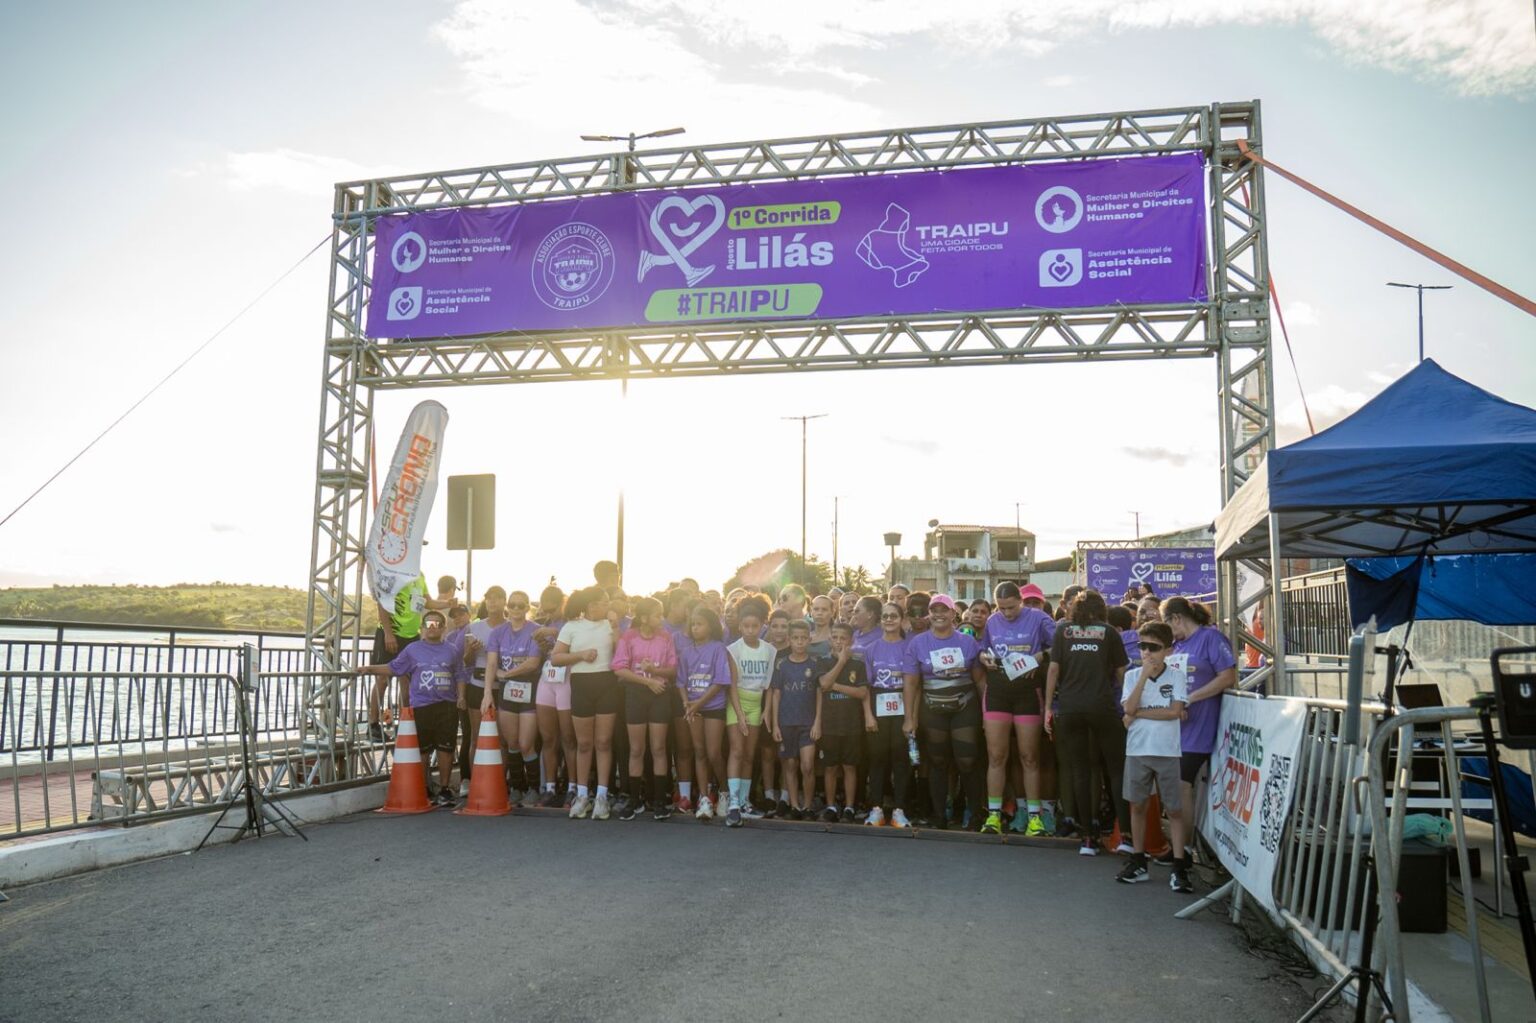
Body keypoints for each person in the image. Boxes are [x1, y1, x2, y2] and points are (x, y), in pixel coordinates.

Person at [1044, 589, 1131, 856]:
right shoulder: (1109, 632)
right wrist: (1129, 707)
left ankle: (1088, 840)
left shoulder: (1063, 631)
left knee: (1080, 771)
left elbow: (1053, 670)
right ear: (1101, 609)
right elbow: (1121, 673)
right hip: (1103, 707)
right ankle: (1126, 836)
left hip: (1069, 708)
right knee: (1117, 771)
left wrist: (1048, 707)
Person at [355, 609, 466, 806]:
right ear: (422, 627)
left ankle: (444, 789)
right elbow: (393, 667)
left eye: (438, 624)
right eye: (429, 624)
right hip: (421, 705)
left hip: (447, 705)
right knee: (422, 750)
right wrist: (369, 668)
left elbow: (460, 675)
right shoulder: (412, 649)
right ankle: (423, 787)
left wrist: (462, 697)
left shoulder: (452, 650)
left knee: (446, 748)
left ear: (444, 627)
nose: (433, 627)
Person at [1116, 621, 1193, 892]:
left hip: (1167, 750)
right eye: (1142, 646)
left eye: (1154, 648)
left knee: (1173, 808)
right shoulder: (1131, 675)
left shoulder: (1176, 676)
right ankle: (1138, 859)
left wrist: (1137, 714)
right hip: (1138, 749)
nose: (1147, 653)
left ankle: (1179, 864)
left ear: (1168, 650)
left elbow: (1174, 712)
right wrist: (1141, 679)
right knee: (1137, 805)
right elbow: (1129, 705)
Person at [977, 581, 1057, 836]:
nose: (1007, 613)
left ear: (1020, 600)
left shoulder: (1039, 618)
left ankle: (1035, 817)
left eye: (1011, 608)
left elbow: (1060, 647)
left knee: (1029, 756)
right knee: (997, 756)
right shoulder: (992, 621)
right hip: (998, 689)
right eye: (1002, 608)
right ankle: (993, 815)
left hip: (1027, 690)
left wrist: (1038, 657)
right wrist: (984, 658)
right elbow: (982, 649)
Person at [902, 594, 985, 830]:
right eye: (934, 610)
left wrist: (987, 713)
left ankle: (975, 814)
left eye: (944, 610)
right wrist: (909, 718)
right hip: (933, 707)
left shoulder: (967, 642)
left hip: (964, 707)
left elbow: (980, 681)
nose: (939, 614)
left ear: (953, 614)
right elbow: (910, 683)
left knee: (967, 760)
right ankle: (940, 816)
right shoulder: (917, 643)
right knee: (938, 761)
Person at [1162, 595, 1238, 836]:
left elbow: (1227, 676)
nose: (1169, 633)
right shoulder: (1177, 646)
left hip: (1199, 727)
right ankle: (1178, 845)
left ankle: (1182, 851)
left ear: (1177, 618)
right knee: (1172, 788)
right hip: (1174, 727)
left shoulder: (1210, 638)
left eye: (1168, 625)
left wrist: (1192, 698)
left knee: (1181, 785)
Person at [551, 587, 619, 820]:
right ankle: (582, 795)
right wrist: (580, 655)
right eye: (604, 602)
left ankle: (601, 796)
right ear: (591, 605)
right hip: (581, 684)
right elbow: (556, 658)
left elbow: (622, 652)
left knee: (603, 741)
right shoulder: (571, 626)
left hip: (607, 684)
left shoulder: (610, 625)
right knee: (584, 743)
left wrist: (617, 627)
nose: (607, 605)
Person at [611, 596, 677, 821]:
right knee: (636, 749)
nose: (661, 618)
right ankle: (635, 799)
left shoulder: (666, 637)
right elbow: (619, 668)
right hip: (636, 694)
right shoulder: (629, 637)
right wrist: (648, 680)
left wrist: (656, 672)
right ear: (644, 617)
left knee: (658, 748)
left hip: (660, 694)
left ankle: (659, 801)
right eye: (657, 614)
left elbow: (672, 669)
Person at [481, 589, 544, 804]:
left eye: (521, 605)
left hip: (529, 688)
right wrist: (487, 692)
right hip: (507, 692)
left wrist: (506, 673)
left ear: (528, 607)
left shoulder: (536, 630)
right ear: (507, 607)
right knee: (512, 742)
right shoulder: (498, 632)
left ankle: (534, 788)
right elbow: (491, 663)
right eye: (513, 605)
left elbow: (533, 663)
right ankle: (518, 786)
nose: (516, 609)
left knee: (527, 743)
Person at [677, 606, 733, 821]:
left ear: (710, 626)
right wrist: (686, 703)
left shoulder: (719, 648)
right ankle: (704, 798)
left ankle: (724, 791)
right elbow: (681, 681)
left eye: (699, 624)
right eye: (693, 624)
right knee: (699, 752)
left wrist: (698, 704)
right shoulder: (686, 651)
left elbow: (720, 681)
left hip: (713, 707)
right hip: (693, 708)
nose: (695, 627)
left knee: (713, 753)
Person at [725, 596, 776, 825]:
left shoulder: (769, 650)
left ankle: (745, 801)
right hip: (737, 703)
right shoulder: (733, 649)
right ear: (739, 626)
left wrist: (765, 710)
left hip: (757, 704)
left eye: (755, 626)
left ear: (761, 626)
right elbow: (732, 686)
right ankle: (733, 803)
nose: (750, 630)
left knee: (749, 754)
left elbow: (768, 686)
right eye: (746, 626)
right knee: (736, 750)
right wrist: (740, 714)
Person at [863, 602, 913, 827]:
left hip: (903, 705)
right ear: (880, 620)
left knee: (901, 759)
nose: (889, 620)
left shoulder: (909, 647)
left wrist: (911, 718)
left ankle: (899, 810)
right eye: (885, 616)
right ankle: (876, 809)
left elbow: (915, 686)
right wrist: (868, 715)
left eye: (894, 616)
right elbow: (866, 687)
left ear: (902, 619)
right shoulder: (871, 649)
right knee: (877, 758)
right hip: (878, 704)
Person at [817, 622, 873, 822]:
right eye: (835, 637)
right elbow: (823, 684)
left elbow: (861, 692)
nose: (839, 641)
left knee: (850, 767)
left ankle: (849, 807)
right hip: (829, 724)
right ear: (830, 639)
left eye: (843, 638)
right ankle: (831, 806)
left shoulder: (857, 664)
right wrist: (840, 662)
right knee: (830, 767)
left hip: (852, 724)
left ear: (851, 641)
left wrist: (837, 686)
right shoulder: (823, 662)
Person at [768, 620, 821, 819]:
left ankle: (807, 806)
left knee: (807, 765)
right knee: (789, 765)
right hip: (786, 722)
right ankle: (794, 806)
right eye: (796, 638)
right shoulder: (782, 665)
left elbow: (819, 693)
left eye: (803, 638)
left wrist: (818, 721)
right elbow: (776, 695)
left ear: (809, 639)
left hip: (808, 724)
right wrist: (775, 724)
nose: (799, 642)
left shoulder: (815, 664)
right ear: (789, 640)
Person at [368, 573, 429, 741]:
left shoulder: (420, 575)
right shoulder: (394, 571)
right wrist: (388, 633)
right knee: (382, 679)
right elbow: (382, 601)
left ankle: (405, 723)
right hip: (392, 633)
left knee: (407, 681)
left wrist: (448, 602)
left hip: (411, 635)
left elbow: (427, 601)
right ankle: (373, 724)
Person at [533, 584, 576, 808]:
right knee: (549, 738)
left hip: (566, 680)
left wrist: (554, 632)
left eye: (552, 609)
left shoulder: (571, 622)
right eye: (545, 611)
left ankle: (572, 787)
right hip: (547, 680)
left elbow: (577, 644)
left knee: (569, 738)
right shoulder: (546, 623)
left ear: (562, 603)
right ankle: (549, 787)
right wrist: (541, 644)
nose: (548, 615)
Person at [808, 594, 835, 660]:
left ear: (832, 613)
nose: (819, 613)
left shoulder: (836, 638)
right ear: (811, 612)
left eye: (824, 609)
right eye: (816, 609)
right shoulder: (804, 636)